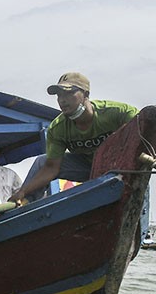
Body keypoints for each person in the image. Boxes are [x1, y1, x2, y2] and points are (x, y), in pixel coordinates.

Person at [9, 72, 138, 202]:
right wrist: (23, 191)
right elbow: (51, 168)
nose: (62, 100)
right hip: (87, 168)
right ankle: (25, 205)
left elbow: (144, 132)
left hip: (120, 168)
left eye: (69, 93)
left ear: (86, 94)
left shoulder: (119, 113)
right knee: (42, 162)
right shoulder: (58, 129)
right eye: (59, 95)